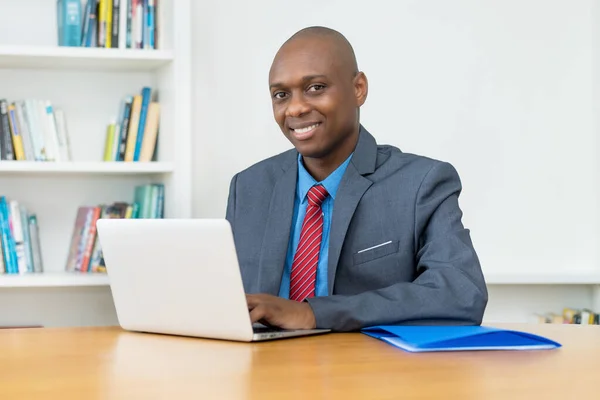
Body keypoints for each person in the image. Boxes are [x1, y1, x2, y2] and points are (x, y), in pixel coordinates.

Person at [225, 26, 488, 332]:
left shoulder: (421, 184)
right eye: (281, 95)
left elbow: (461, 294)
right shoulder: (248, 187)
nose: (295, 108)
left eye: (315, 87)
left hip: (365, 371)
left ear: (358, 88)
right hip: (261, 369)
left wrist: (314, 314)